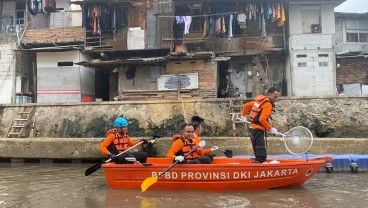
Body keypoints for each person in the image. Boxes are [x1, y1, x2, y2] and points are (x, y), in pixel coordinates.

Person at [241, 87, 280, 163]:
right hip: (258, 129)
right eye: (275, 97)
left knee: (257, 149)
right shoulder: (268, 104)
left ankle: (257, 161)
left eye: (277, 97)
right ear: (269, 95)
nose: (276, 99)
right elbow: (262, 119)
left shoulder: (259, 102)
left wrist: (243, 116)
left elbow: (246, 105)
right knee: (261, 152)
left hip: (252, 129)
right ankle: (260, 163)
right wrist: (271, 128)